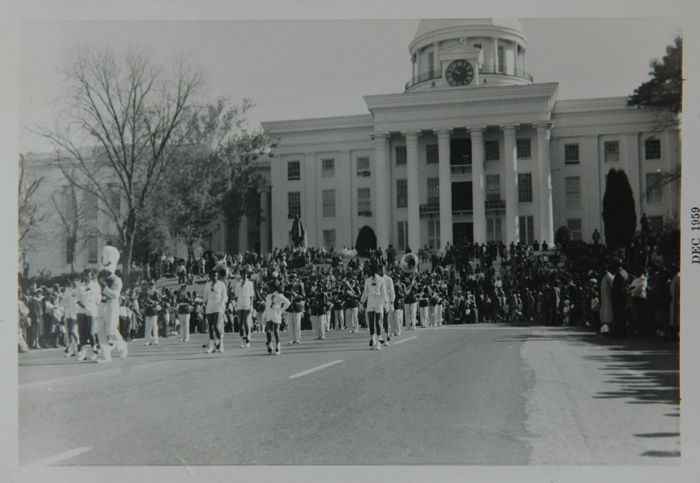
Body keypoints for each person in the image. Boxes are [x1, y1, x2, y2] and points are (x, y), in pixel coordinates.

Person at [361, 263, 388, 350]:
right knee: (371, 322)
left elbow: (384, 293)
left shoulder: (381, 280)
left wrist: (386, 304)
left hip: (378, 301)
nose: (368, 272)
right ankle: (373, 340)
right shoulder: (367, 281)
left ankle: (379, 341)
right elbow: (365, 293)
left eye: (370, 270)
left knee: (378, 322)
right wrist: (362, 302)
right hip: (370, 302)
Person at [203, 269, 228, 353]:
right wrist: (203, 303)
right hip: (210, 306)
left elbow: (225, 296)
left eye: (216, 276)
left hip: (218, 306)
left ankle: (221, 344)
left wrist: (222, 304)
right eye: (213, 276)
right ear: (210, 276)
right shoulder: (207, 284)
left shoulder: (221, 285)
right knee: (210, 326)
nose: (214, 277)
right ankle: (211, 346)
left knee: (216, 326)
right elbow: (205, 296)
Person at [262, 281, 290, 355]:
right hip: (269, 313)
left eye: (269, 288)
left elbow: (288, 302)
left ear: (273, 288)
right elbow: (267, 307)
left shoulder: (279, 295)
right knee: (267, 330)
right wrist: (264, 317)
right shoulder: (268, 296)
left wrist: (281, 310)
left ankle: (278, 346)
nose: (268, 289)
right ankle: (270, 345)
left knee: (275, 331)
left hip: (276, 313)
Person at [234, 268, 255, 348]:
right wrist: (237, 303)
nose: (244, 276)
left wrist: (251, 305)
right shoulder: (238, 284)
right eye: (243, 274)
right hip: (240, 301)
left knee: (246, 321)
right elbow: (236, 295)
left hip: (247, 301)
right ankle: (242, 339)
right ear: (241, 275)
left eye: (246, 274)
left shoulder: (250, 283)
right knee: (240, 322)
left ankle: (248, 339)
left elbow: (251, 296)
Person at [140, 280, 161, 346]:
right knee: (147, 325)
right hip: (147, 310)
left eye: (152, 284)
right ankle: (147, 340)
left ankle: (155, 340)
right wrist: (144, 304)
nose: (151, 285)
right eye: (150, 284)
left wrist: (152, 302)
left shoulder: (156, 292)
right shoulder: (146, 292)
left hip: (154, 309)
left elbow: (159, 301)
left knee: (154, 325)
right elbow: (142, 301)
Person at [599, 264, 614, 335]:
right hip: (604, 298)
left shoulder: (609, 277)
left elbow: (613, 287)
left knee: (609, 314)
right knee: (605, 314)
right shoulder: (604, 278)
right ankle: (606, 329)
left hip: (609, 299)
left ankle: (611, 330)